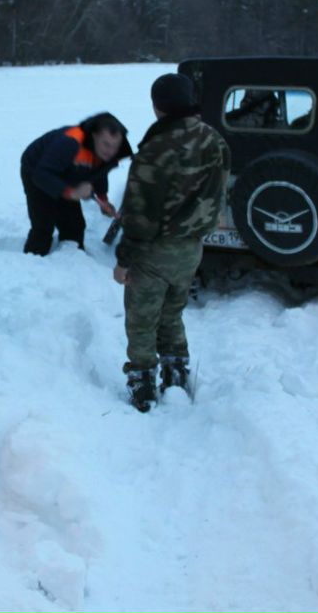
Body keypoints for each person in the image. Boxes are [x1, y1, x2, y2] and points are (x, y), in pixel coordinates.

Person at [113, 74, 231, 411]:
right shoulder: (215, 139)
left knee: (142, 319)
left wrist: (124, 261)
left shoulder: (156, 150)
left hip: (155, 250)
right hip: (192, 248)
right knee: (173, 312)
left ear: (157, 106)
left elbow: (138, 214)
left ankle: (142, 383)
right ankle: (176, 373)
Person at [20, 112, 131, 255]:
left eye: (114, 146)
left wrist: (103, 199)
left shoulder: (110, 151)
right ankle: (33, 261)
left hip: (69, 172)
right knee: (43, 224)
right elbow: (41, 175)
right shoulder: (69, 142)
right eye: (106, 144)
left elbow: (100, 172)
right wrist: (70, 192)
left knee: (74, 226)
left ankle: (72, 261)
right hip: (37, 169)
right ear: (94, 136)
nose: (110, 151)